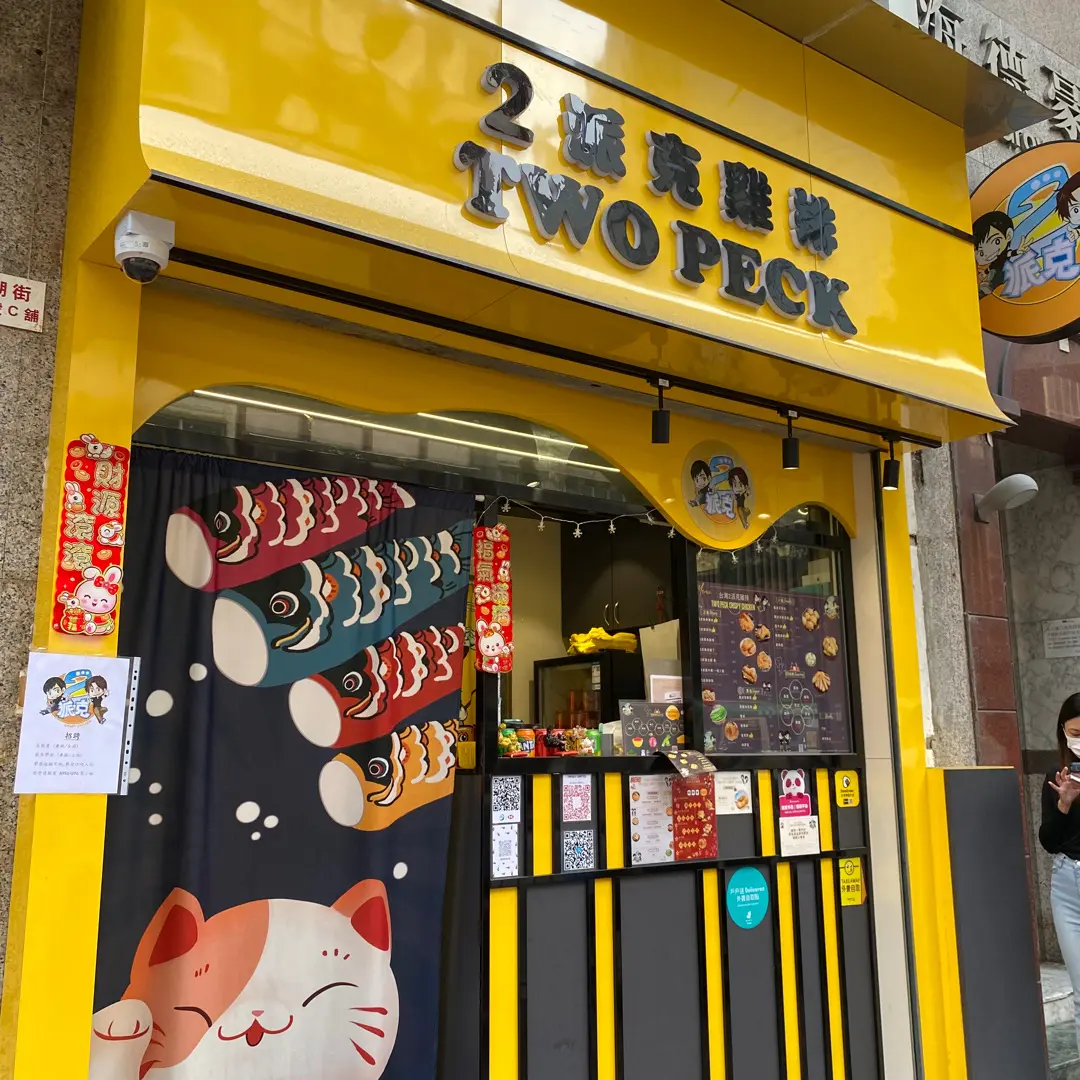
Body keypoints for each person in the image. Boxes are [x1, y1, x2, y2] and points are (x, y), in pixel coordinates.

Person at [1040, 692, 1080, 1057]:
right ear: (1063, 732)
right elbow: (1049, 842)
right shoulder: (1057, 777)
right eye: (1076, 733)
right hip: (1067, 884)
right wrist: (1064, 803)